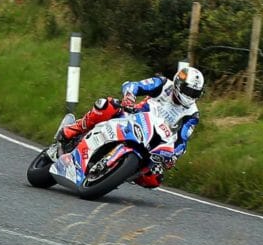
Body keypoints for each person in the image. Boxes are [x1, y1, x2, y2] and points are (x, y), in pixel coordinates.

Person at [59, 64, 204, 189]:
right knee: (106, 105)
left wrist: (173, 155)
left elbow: (182, 140)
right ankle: (72, 130)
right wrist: (129, 97)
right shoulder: (163, 84)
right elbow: (134, 85)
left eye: (195, 93)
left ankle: (118, 173)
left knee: (154, 180)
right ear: (178, 84)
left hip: (154, 140)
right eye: (189, 91)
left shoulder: (193, 114)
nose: (191, 96)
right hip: (132, 118)